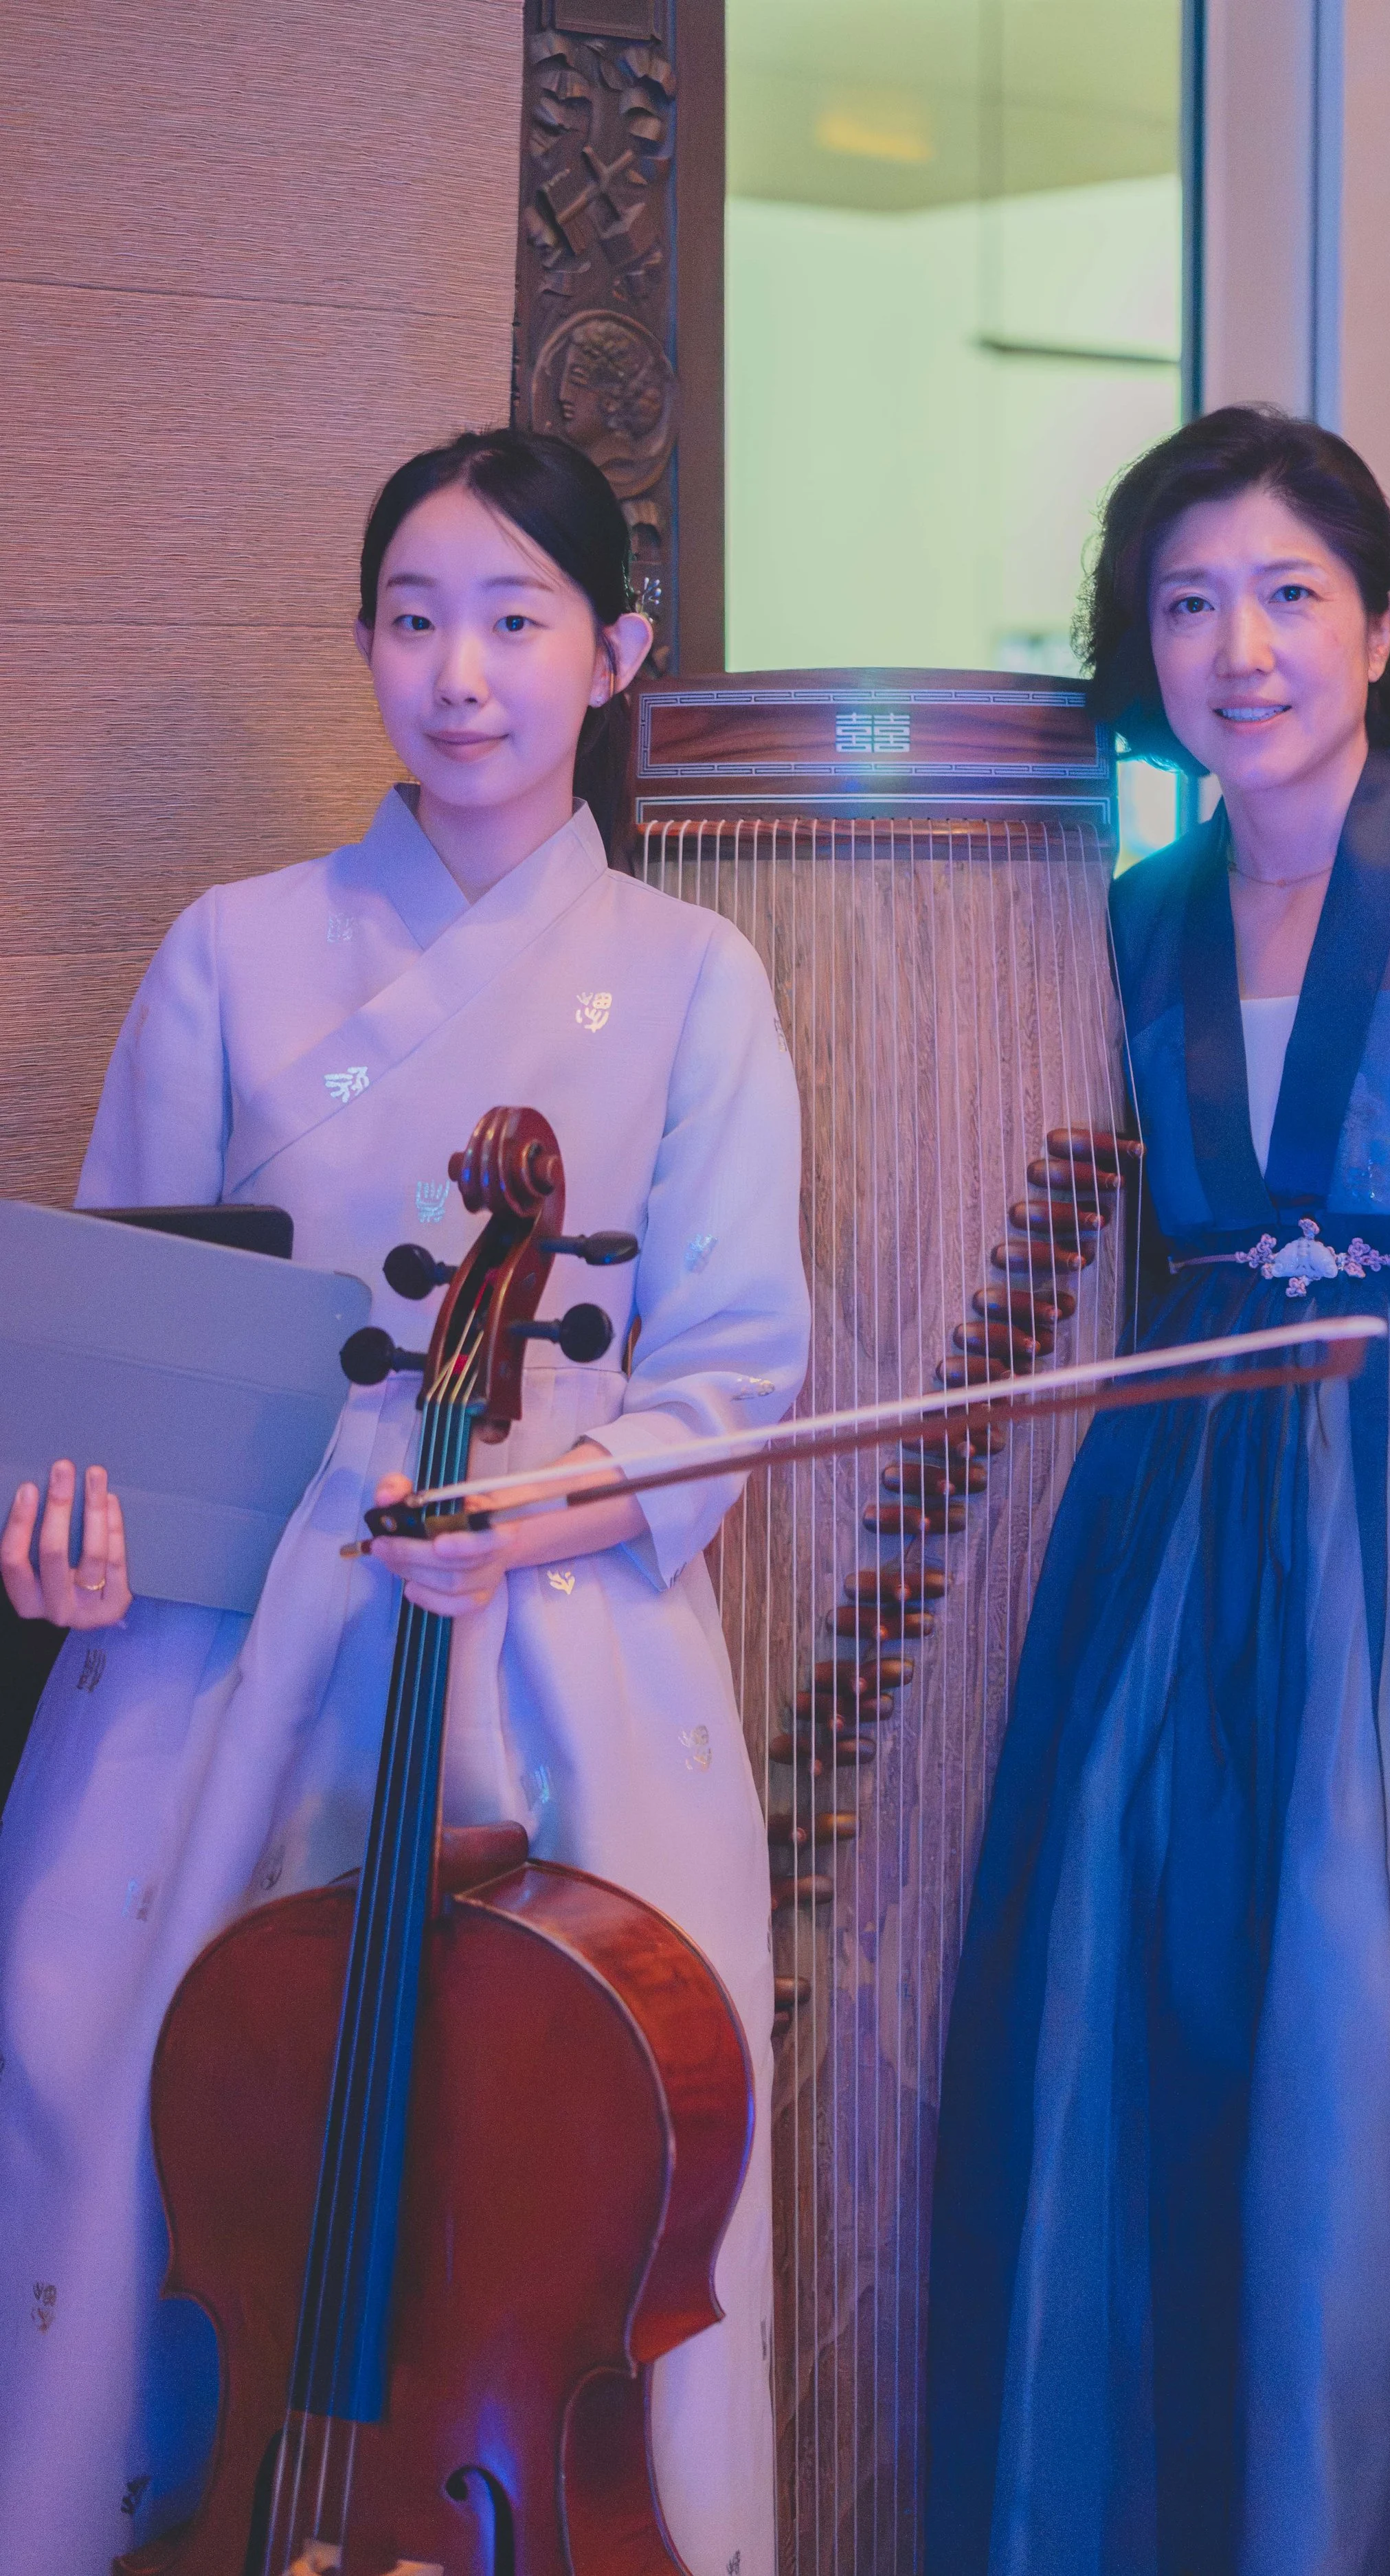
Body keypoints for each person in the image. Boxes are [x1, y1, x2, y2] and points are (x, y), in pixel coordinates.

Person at [0, 426, 809, 2576]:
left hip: (554, 1641)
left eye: (516, 621)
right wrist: (69, 1524)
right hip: (239, 1634)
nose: (460, 673)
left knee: (564, 2180)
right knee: (138, 2111)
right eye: (414, 620)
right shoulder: (230, 950)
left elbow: (735, 1374)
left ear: (613, 654)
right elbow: (115, 1346)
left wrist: (544, 1510)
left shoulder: (698, 981)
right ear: (364, 648)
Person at [926, 405, 1390, 2576]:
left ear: (1384, 623)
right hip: (1176, 1506)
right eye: (1187, 600)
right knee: (1140, 2015)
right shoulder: (1134, 915)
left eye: (1290, 591)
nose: (1241, 646)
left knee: (1368, 2054)